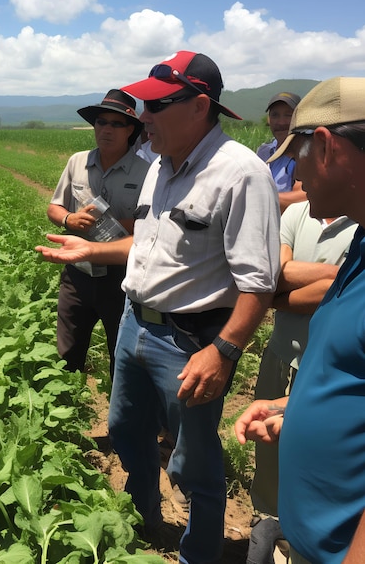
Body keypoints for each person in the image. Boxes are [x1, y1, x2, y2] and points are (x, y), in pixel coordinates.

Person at [36, 50, 281, 563]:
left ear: (198, 105)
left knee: (193, 463)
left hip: (189, 341)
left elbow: (258, 284)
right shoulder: (159, 166)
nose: (141, 119)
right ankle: (144, 521)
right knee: (126, 429)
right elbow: (146, 245)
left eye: (154, 107)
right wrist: (94, 250)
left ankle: (200, 553)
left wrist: (224, 352)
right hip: (133, 325)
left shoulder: (240, 174)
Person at [235, 77, 365, 564]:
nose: (296, 175)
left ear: (327, 147)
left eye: (301, 156)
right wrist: (294, 406)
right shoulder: (360, 248)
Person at [246, 200, 356, 564]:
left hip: (322, 367)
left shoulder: (357, 220)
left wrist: (277, 296)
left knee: (312, 463)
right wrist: (329, 278)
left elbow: (327, 291)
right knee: (270, 452)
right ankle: (271, 527)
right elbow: (270, 275)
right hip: (279, 353)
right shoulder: (296, 214)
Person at [47, 89, 150, 376]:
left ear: (131, 129)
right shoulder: (76, 162)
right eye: (101, 122)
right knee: (67, 351)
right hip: (77, 274)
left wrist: (114, 225)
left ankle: (119, 409)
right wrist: (69, 219)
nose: (106, 129)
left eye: (116, 124)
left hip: (121, 277)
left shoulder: (147, 172)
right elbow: (54, 207)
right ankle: (66, 405)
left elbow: (151, 227)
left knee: (122, 350)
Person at [257, 92, 307, 212]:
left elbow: (303, 196)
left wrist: (256, 199)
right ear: (269, 119)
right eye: (275, 115)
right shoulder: (263, 151)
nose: (281, 122)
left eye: (288, 115)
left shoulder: (305, 152)